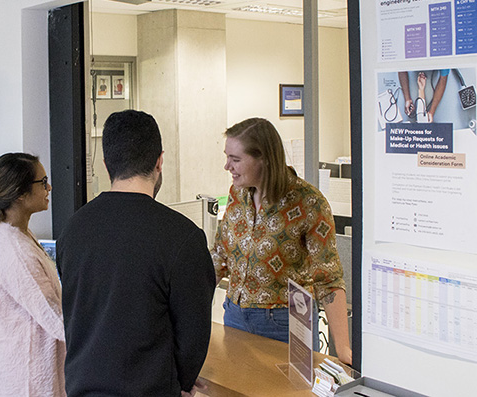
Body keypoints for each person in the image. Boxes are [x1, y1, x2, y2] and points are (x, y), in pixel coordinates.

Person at [57, 109, 215, 397]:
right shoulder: (184, 237)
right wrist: (180, 382)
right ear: (159, 162)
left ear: (106, 165)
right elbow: (194, 337)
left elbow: (74, 315)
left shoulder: (73, 230)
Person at [211, 117, 352, 365]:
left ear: (263, 158)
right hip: (234, 315)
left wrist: (343, 351)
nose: (227, 167)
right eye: (227, 157)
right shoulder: (237, 194)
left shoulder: (309, 202)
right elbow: (219, 257)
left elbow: (329, 279)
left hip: (286, 323)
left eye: (235, 159)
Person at [0, 153, 65, 397]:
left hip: (19, 370)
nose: (49, 187)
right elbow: (55, 319)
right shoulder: (14, 250)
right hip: (29, 379)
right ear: (20, 193)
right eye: (42, 183)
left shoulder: (11, 235)